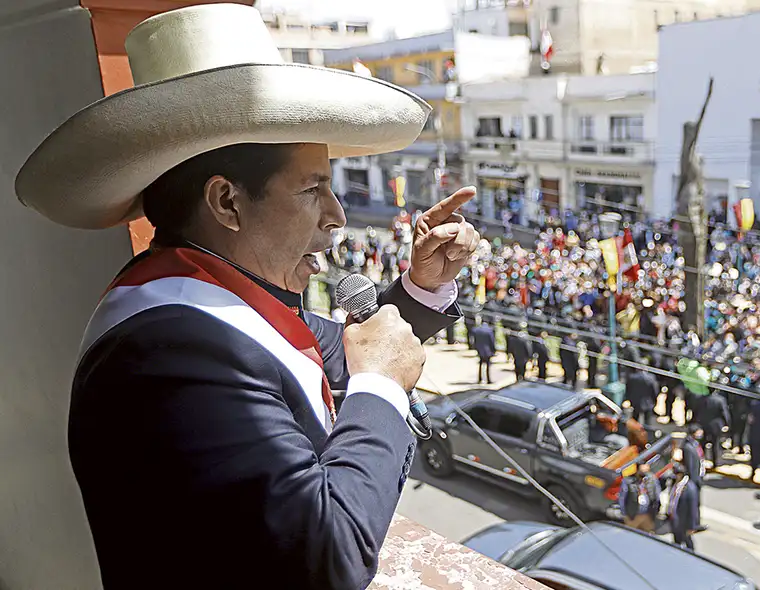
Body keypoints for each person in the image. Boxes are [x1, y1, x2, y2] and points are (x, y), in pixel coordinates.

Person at [20, 6, 481, 589]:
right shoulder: (170, 353)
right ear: (227, 203)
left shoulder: (203, 304)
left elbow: (347, 349)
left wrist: (424, 284)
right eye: (312, 189)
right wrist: (382, 387)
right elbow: (327, 557)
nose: (337, 217)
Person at [619, 463, 662, 533]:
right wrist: (625, 515)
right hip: (633, 516)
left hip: (647, 515)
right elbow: (622, 499)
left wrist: (655, 513)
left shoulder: (652, 479)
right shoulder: (628, 481)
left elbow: (657, 497)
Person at [695, 390, 730, 468]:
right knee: (715, 444)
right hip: (715, 426)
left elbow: (696, 411)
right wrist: (727, 424)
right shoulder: (720, 400)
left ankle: (700, 460)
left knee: (702, 444)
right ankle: (715, 462)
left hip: (703, 424)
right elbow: (724, 413)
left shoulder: (701, 399)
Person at [471, 318, 497, 384]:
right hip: (487, 351)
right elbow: (492, 341)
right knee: (488, 366)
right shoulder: (489, 330)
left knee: (480, 365)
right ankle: (488, 379)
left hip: (480, 349)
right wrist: (493, 350)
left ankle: (479, 379)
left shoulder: (477, 330)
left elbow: (474, 340)